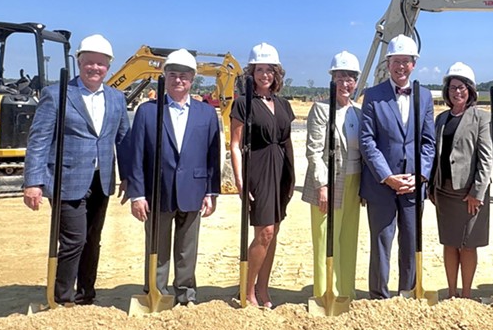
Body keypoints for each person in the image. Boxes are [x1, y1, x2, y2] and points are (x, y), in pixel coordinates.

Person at [22, 34, 130, 306]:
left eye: (101, 64)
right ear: (79, 63)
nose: (95, 68)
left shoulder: (117, 98)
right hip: (66, 179)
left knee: (93, 240)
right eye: (89, 63)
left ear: (109, 67)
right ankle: (63, 297)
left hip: (102, 180)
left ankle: (86, 296)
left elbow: (123, 140)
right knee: (74, 241)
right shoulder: (57, 95)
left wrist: (129, 176)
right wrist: (33, 182)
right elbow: (39, 139)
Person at [117, 49, 221, 305]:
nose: (178, 80)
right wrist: (137, 194)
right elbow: (137, 154)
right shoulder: (147, 111)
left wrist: (211, 192)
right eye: (173, 74)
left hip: (193, 191)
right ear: (164, 76)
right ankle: (156, 292)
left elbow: (212, 156)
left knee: (187, 250)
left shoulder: (206, 113)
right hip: (157, 191)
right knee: (157, 249)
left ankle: (186, 294)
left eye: (184, 75)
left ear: (192, 78)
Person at [359, 34, 435, 299]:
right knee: (381, 241)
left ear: (414, 64)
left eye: (406, 61)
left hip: (413, 185)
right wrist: (387, 176)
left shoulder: (424, 97)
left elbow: (428, 142)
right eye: (396, 61)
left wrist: (421, 175)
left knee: (411, 241)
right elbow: (367, 140)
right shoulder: (373, 96)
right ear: (388, 63)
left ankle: (408, 292)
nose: (400, 67)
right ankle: (379, 296)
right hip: (381, 185)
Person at [230, 43, 295, 308]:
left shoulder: (283, 104)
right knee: (264, 231)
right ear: (251, 72)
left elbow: (287, 140)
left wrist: (291, 175)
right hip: (258, 168)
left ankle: (263, 289)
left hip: (282, 169)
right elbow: (235, 144)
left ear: (277, 73)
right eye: (260, 69)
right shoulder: (244, 103)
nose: (265, 75)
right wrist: (239, 179)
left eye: (270, 70)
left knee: (274, 231)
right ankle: (247, 291)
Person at [301, 51, 364, 299]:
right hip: (329, 182)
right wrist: (321, 185)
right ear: (332, 79)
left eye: (350, 78)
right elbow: (313, 150)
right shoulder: (321, 109)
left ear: (356, 81)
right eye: (340, 77)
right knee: (325, 238)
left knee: (348, 238)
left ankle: (346, 291)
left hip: (354, 181)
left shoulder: (358, 112)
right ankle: (325, 292)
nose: (345, 83)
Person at [430, 62, 492, 299]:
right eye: (453, 87)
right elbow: (436, 154)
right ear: (447, 90)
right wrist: (431, 187)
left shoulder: (481, 118)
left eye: (462, 87)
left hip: (468, 193)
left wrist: (477, 191)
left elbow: (486, 158)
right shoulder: (441, 119)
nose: (457, 92)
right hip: (444, 191)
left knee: (467, 243)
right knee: (449, 242)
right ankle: (452, 291)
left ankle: (466, 294)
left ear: (471, 91)